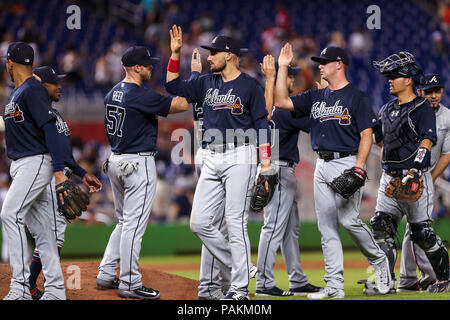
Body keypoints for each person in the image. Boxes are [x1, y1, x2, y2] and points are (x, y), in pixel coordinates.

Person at [274, 43, 391, 299]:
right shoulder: (316, 97)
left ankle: (380, 262)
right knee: (326, 226)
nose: (320, 65)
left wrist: (359, 167)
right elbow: (280, 101)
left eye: (324, 62)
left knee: (348, 220)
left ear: (339, 64)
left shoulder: (356, 97)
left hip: (347, 162)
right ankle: (334, 286)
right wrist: (282, 67)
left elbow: (366, 135)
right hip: (322, 164)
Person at [165, 25, 272, 300]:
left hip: (241, 154)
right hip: (211, 156)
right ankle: (241, 266)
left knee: (234, 222)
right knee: (199, 223)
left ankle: (239, 290)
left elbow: (262, 124)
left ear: (230, 55)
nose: (209, 57)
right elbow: (172, 85)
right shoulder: (205, 82)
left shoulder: (250, 85)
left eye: (214, 53)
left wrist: (266, 164)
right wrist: (175, 54)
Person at [96, 46, 190, 300]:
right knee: (134, 226)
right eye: (147, 65)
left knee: (124, 222)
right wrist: (194, 82)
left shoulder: (111, 93)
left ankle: (106, 273)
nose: (151, 67)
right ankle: (130, 282)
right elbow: (181, 104)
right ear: (136, 67)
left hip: (115, 160)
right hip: (138, 163)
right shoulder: (141, 95)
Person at [370, 53, 449, 294]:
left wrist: (415, 169)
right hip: (390, 177)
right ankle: (386, 282)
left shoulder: (422, 107)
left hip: (415, 176)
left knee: (421, 233)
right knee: (380, 226)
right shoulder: (386, 108)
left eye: (394, 76)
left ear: (408, 81)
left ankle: (446, 278)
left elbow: (427, 140)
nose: (389, 80)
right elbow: (380, 139)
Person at [26, 66, 103, 300]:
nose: (59, 86)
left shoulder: (54, 115)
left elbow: (64, 153)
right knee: (53, 236)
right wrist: (59, 175)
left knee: (52, 237)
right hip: (49, 177)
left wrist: (82, 173)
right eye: (54, 83)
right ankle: (40, 287)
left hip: (60, 174)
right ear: (43, 86)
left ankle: (34, 285)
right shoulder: (38, 114)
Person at [1, 42, 70, 300]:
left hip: (35, 161)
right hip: (24, 165)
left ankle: (19, 289)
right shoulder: (19, 91)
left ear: (10, 63)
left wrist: (60, 170)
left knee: (10, 214)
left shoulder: (32, 89)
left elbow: (50, 128)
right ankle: (56, 291)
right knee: (43, 231)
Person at [255, 55, 321, 297]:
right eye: (288, 75)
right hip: (278, 169)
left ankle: (297, 279)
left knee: (289, 229)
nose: (292, 79)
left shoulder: (264, 106)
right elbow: (316, 123)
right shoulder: (284, 109)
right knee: (273, 227)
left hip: (275, 168)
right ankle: (263, 282)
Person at [397, 73, 450, 293]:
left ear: (442, 92)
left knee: (417, 228)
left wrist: (430, 178)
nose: (433, 95)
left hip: (426, 176)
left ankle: (415, 278)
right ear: (420, 92)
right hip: (404, 175)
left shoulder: (447, 117)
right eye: (429, 91)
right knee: (410, 228)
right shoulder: (413, 111)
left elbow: (447, 154)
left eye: (437, 90)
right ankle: (412, 278)